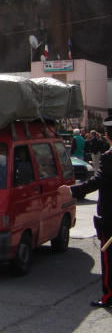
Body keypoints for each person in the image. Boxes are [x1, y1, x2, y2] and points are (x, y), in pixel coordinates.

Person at [59, 116, 112, 308]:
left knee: (109, 258)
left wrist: (71, 190)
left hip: (110, 217)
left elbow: (96, 183)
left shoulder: (108, 158)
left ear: (107, 137)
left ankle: (108, 296)